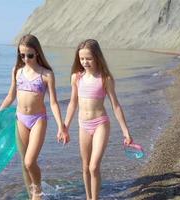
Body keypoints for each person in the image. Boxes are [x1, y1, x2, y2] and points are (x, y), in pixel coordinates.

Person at [0, 34, 69, 200]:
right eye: (22, 55)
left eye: (29, 55)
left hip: (38, 120)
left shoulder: (46, 74)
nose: (25, 59)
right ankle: (31, 194)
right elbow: (10, 96)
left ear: (37, 53)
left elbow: (53, 102)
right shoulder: (17, 71)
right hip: (20, 119)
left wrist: (61, 126)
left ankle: (37, 192)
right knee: (24, 163)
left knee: (30, 161)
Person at [64, 39, 132, 200]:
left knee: (94, 166)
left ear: (97, 57)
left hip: (100, 123)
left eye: (89, 58)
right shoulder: (76, 78)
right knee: (85, 167)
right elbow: (73, 103)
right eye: (81, 59)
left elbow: (116, 105)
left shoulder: (105, 78)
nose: (85, 62)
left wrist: (126, 132)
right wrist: (64, 126)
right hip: (83, 125)